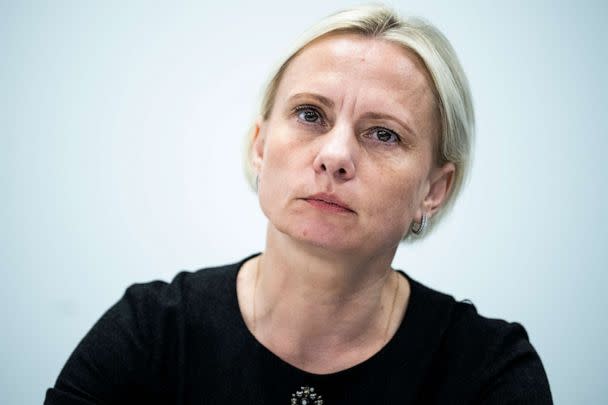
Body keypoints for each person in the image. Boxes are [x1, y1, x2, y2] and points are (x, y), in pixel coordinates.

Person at [45, 4, 552, 404]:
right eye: (310, 114)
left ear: (434, 190)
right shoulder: (150, 332)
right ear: (260, 145)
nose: (335, 156)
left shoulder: (488, 370)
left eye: (383, 133)